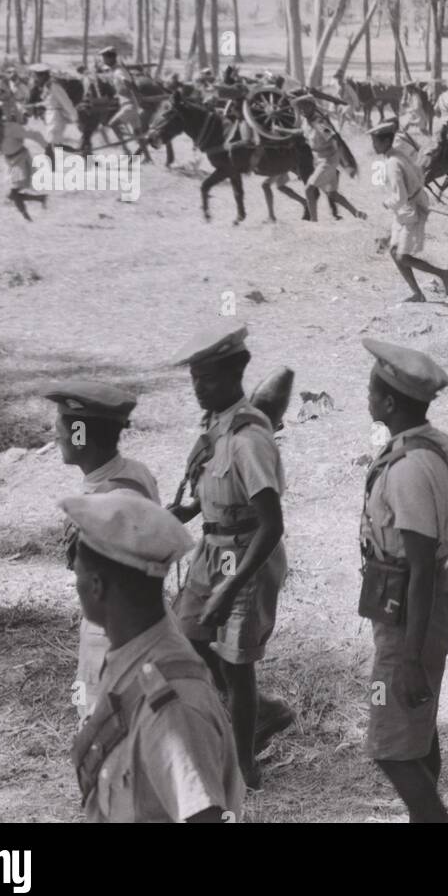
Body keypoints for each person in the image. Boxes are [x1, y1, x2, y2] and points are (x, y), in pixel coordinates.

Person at [63, 491, 243, 822]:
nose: (76, 584)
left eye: (78, 573)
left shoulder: (172, 707)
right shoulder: (130, 656)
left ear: (97, 585)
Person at [168, 322, 294, 789]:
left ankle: (244, 764)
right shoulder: (216, 426)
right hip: (212, 549)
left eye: (210, 378)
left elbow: (270, 522)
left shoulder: (248, 437)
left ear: (236, 374)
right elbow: (221, 489)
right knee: (190, 643)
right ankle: (261, 715)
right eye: (195, 379)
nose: (200, 388)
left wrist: (233, 585)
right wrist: (186, 509)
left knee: (237, 663)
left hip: (247, 556)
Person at [359, 338, 448, 823]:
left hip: (410, 611)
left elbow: (421, 568)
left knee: (390, 745)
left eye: (373, 388)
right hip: (406, 603)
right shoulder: (431, 445)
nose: (368, 394)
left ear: (390, 402)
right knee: (417, 731)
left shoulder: (408, 469)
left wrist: (413, 661)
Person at [44, 381, 160, 722]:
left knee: (101, 724)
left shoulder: (110, 501)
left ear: (80, 434)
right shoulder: (132, 473)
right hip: (121, 625)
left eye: (61, 430)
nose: (57, 438)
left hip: (112, 632)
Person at [374, 119, 448, 303]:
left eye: (376, 141)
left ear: (386, 142)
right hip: (409, 207)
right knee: (395, 252)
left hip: (411, 209)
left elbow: (399, 197)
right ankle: (417, 293)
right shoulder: (398, 156)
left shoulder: (393, 163)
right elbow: (419, 173)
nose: (374, 145)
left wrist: (387, 203)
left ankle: (444, 274)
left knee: (402, 256)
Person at [0, 100, 48, 221]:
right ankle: (39, 201)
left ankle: (30, 215)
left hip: (20, 160)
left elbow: (34, 134)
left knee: (13, 193)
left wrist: (47, 148)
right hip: (9, 162)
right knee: (12, 195)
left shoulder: (11, 127)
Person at [301, 109, 366, 222]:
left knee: (309, 189)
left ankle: (314, 222)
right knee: (332, 194)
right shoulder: (305, 123)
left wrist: (344, 161)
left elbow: (334, 138)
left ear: (310, 105)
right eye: (300, 107)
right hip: (319, 160)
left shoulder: (320, 123)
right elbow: (298, 131)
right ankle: (357, 213)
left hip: (328, 160)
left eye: (304, 106)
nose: (302, 110)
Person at [31, 63, 79, 154]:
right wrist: (36, 105)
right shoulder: (47, 86)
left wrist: (74, 116)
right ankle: (82, 154)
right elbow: (49, 102)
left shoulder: (54, 86)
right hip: (51, 117)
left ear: (43, 75)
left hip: (56, 118)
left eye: (36, 76)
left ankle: (81, 154)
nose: (35, 79)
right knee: (55, 146)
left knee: (51, 146)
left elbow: (66, 102)